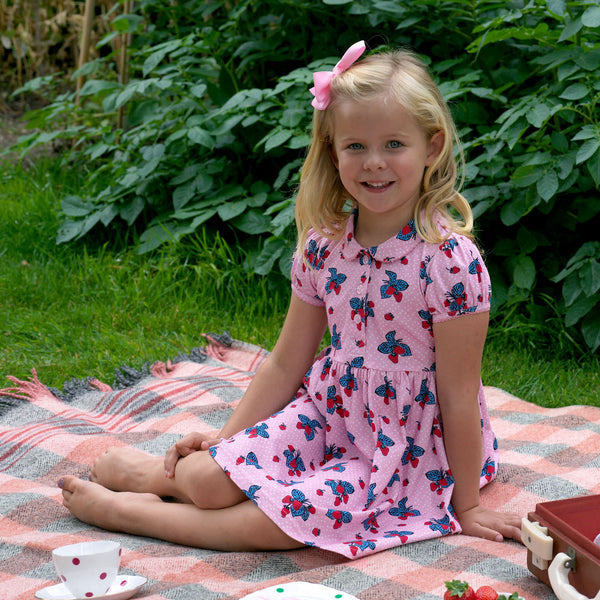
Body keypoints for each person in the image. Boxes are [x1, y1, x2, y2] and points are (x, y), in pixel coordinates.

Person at [58, 41, 522, 558]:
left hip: (408, 451)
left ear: (431, 147)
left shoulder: (450, 264)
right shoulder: (325, 247)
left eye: (394, 144)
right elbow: (285, 364)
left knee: (284, 524)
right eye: (355, 147)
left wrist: (467, 505)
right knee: (213, 482)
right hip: (330, 416)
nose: (374, 163)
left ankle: (130, 512)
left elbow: (458, 394)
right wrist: (226, 445)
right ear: (332, 150)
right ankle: (155, 474)